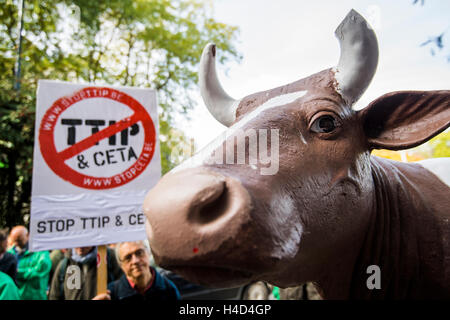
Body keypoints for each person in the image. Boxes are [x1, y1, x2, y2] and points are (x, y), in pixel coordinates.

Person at [93, 241, 180, 300]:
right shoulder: (110, 294)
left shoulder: (169, 288)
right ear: (121, 265)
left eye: (139, 253)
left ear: (148, 253)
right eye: (128, 258)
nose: (135, 261)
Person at [48, 246, 123, 300]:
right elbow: (54, 296)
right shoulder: (64, 264)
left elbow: (124, 289)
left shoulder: (110, 258)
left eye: (85, 242)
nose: (80, 247)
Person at [7, 226, 51, 300]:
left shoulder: (40, 251)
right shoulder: (9, 253)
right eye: (15, 240)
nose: (17, 242)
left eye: (19, 238)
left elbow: (42, 268)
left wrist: (18, 272)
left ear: (27, 235)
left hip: (35, 296)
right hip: (15, 296)